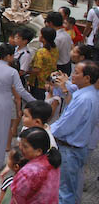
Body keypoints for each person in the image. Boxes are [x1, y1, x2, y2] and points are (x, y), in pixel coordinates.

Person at [0, 44, 35, 174]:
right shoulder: (12, 72)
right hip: (4, 103)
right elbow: (21, 90)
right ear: (8, 56)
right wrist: (34, 101)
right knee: (1, 132)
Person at [51, 60, 99, 204]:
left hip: (70, 149)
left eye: (76, 73)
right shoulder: (87, 94)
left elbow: (66, 125)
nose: (72, 75)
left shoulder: (84, 99)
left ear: (87, 78)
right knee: (70, 188)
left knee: (65, 192)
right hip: (75, 148)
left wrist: (47, 130)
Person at [11, 127, 61, 204]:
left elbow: (17, 197)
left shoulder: (29, 171)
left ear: (38, 151)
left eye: (25, 146)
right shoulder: (52, 161)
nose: (20, 148)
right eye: (20, 144)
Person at [29, 27, 59, 100]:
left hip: (39, 82)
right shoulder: (55, 49)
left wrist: (27, 71)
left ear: (44, 38)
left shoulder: (41, 52)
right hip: (49, 81)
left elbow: (36, 69)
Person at [46, 11, 72, 75]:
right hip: (67, 64)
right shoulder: (67, 35)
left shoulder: (56, 38)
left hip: (59, 67)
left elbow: (51, 54)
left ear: (50, 23)